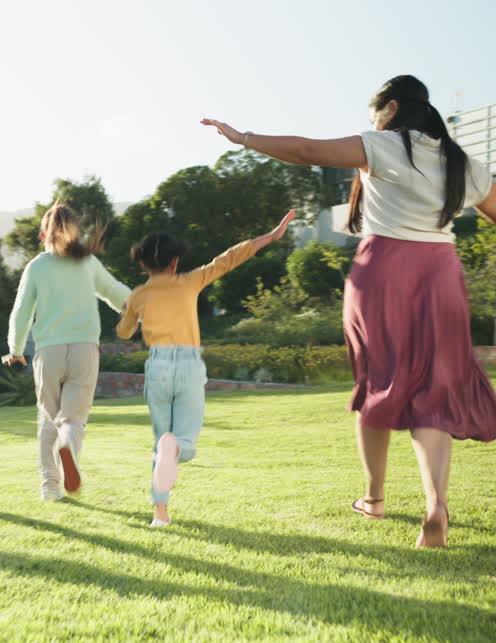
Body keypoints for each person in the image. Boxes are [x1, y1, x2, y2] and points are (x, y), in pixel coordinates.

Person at [203, 74, 496, 548]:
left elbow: (304, 151)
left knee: (378, 381)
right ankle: (435, 505)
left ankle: (375, 499)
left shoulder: (383, 145)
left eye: (375, 114)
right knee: (434, 391)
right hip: (442, 272)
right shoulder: (465, 163)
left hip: (385, 268)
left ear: (393, 108)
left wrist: (243, 138)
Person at [117, 212, 295, 527]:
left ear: (143, 264)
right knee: (183, 444)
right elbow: (228, 259)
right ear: (174, 262)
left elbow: (124, 334)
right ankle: (176, 449)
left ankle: (161, 515)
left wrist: (126, 313)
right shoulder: (190, 280)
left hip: (157, 366)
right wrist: (270, 235)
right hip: (188, 365)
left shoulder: (137, 296)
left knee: (161, 440)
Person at [3, 204, 131, 500]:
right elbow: (117, 293)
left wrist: (16, 349)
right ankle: (69, 449)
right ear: (76, 233)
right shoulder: (87, 263)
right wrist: (137, 310)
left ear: (42, 235)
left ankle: (50, 487)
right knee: (73, 420)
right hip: (85, 350)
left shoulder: (36, 266)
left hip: (49, 353)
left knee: (49, 420)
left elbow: (21, 313)